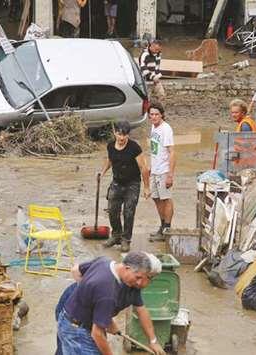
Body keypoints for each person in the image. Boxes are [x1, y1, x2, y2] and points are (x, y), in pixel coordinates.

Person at [57, 251, 166, 355]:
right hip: (76, 329)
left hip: (86, 322)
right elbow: (97, 334)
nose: (140, 283)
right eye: (138, 277)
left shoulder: (107, 263)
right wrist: (93, 301)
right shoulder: (107, 292)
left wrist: (153, 341)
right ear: (127, 268)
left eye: (147, 279)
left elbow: (141, 310)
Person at [99, 121, 151, 252]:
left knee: (128, 212)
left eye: (125, 135)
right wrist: (102, 172)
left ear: (128, 135)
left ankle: (126, 239)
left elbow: (143, 168)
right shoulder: (110, 146)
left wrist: (146, 187)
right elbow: (110, 160)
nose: (122, 138)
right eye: (119, 134)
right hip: (117, 182)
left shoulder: (134, 147)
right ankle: (116, 235)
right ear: (115, 133)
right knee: (112, 210)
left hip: (132, 184)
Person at [147, 101, 175, 241]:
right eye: (151, 114)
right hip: (155, 169)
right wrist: (151, 167)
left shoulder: (166, 129)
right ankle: (162, 226)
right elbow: (154, 149)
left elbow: (172, 152)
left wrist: (170, 174)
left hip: (164, 170)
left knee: (166, 199)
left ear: (162, 115)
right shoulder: (153, 127)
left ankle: (167, 228)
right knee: (156, 198)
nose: (154, 117)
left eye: (156, 114)